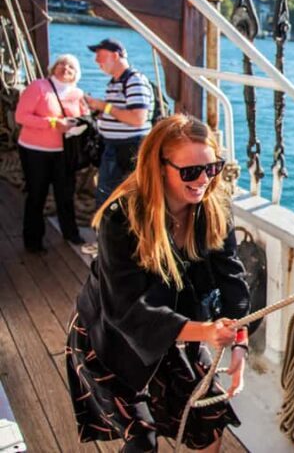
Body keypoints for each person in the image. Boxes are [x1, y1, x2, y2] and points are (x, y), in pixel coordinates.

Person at [66, 115, 250, 451]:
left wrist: (240, 343)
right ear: (160, 167)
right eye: (191, 171)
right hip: (113, 336)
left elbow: (231, 279)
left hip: (178, 332)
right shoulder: (122, 217)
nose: (204, 180)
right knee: (142, 439)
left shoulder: (215, 209)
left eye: (212, 168)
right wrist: (205, 331)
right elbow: (126, 310)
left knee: (210, 423)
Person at [15, 54, 90, 252]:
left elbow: (84, 117)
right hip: (35, 151)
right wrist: (54, 123)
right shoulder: (38, 87)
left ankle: (70, 232)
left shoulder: (78, 94)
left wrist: (82, 122)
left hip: (65, 153)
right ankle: (33, 241)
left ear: (76, 74)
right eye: (61, 64)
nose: (66, 68)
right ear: (53, 68)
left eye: (71, 67)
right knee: (37, 194)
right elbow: (21, 116)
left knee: (65, 195)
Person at [85, 38, 153, 207]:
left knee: (120, 196)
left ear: (115, 56)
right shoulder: (115, 82)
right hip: (115, 146)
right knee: (109, 195)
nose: (96, 61)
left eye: (100, 55)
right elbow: (119, 113)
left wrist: (104, 107)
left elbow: (138, 119)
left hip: (129, 147)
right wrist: (100, 112)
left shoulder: (134, 80)